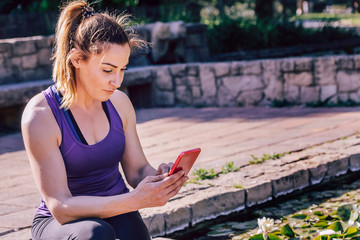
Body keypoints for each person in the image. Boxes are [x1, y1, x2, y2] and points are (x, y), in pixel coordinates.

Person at [21, 1, 188, 239]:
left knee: (134, 233)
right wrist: (132, 200)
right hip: (62, 222)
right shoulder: (41, 116)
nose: (117, 81)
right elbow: (60, 207)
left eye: (123, 69)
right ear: (77, 59)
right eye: (108, 70)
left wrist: (161, 179)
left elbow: (137, 170)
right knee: (95, 234)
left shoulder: (119, 103)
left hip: (118, 209)